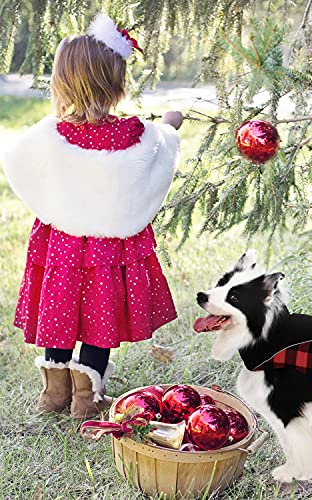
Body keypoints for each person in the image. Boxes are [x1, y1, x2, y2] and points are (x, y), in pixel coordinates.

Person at [3, 14, 183, 419]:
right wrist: (172, 125)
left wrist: (57, 205)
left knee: (62, 312)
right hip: (109, 251)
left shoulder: (50, 133)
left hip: (64, 245)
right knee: (102, 317)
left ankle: (54, 394)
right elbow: (161, 151)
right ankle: (86, 398)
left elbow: (16, 160)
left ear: (61, 83)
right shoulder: (135, 134)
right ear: (118, 84)